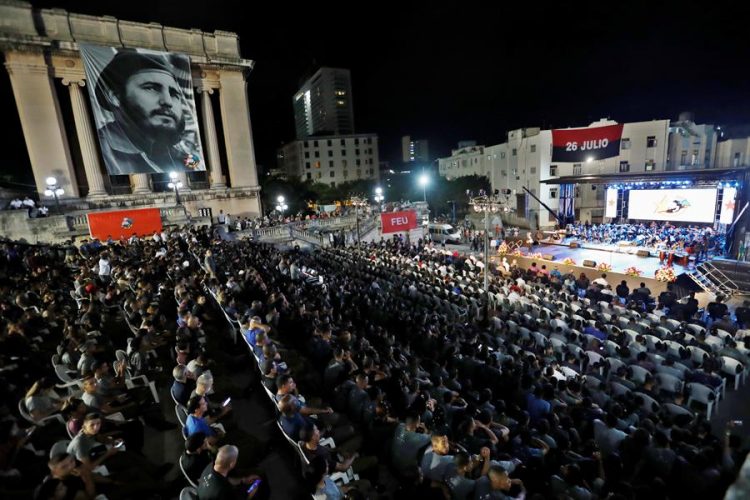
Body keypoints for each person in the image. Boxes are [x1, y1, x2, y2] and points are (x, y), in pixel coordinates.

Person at [90, 48, 200, 175]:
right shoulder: (100, 151)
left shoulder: (181, 157)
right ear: (115, 97)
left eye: (174, 94)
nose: (168, 101)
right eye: (151, 88)